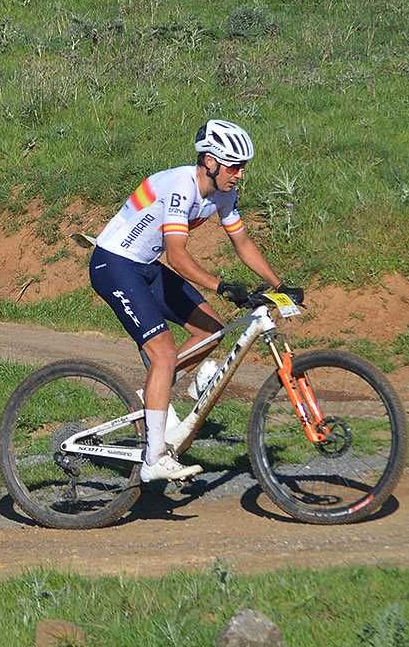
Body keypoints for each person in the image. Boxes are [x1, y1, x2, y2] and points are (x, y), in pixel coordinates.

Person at [88, 120, 302, 482]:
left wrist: (279, 283)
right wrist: (222, 287)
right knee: (164, 352)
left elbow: (243, 242)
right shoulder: (179, 186)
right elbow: (178, 256)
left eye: (243, 167)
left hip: (144, 266)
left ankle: (153, 395)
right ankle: (154, 458)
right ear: (210, 162)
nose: (239, 175)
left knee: (212, 331)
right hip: (114, 265)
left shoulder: (223, 194)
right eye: (234, 166)